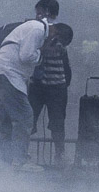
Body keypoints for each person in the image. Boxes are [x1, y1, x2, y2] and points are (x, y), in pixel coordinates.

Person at [0, 0, 58, 169]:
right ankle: (20, 160)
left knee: (6, 119)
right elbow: (26, 56)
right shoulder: (38, 28)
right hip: (8, 73)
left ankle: (4, 161)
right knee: (25, 117)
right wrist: (42, 55)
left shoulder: (31, 28)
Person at [29, 22, 73, 168]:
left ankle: (60, 156)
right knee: (29, 119)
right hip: (39, 86)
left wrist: (64, 84)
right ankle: (20, 153)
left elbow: (62, 60)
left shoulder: (59, 46)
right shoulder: (41, 39)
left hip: (56, 88)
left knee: (58, 124)